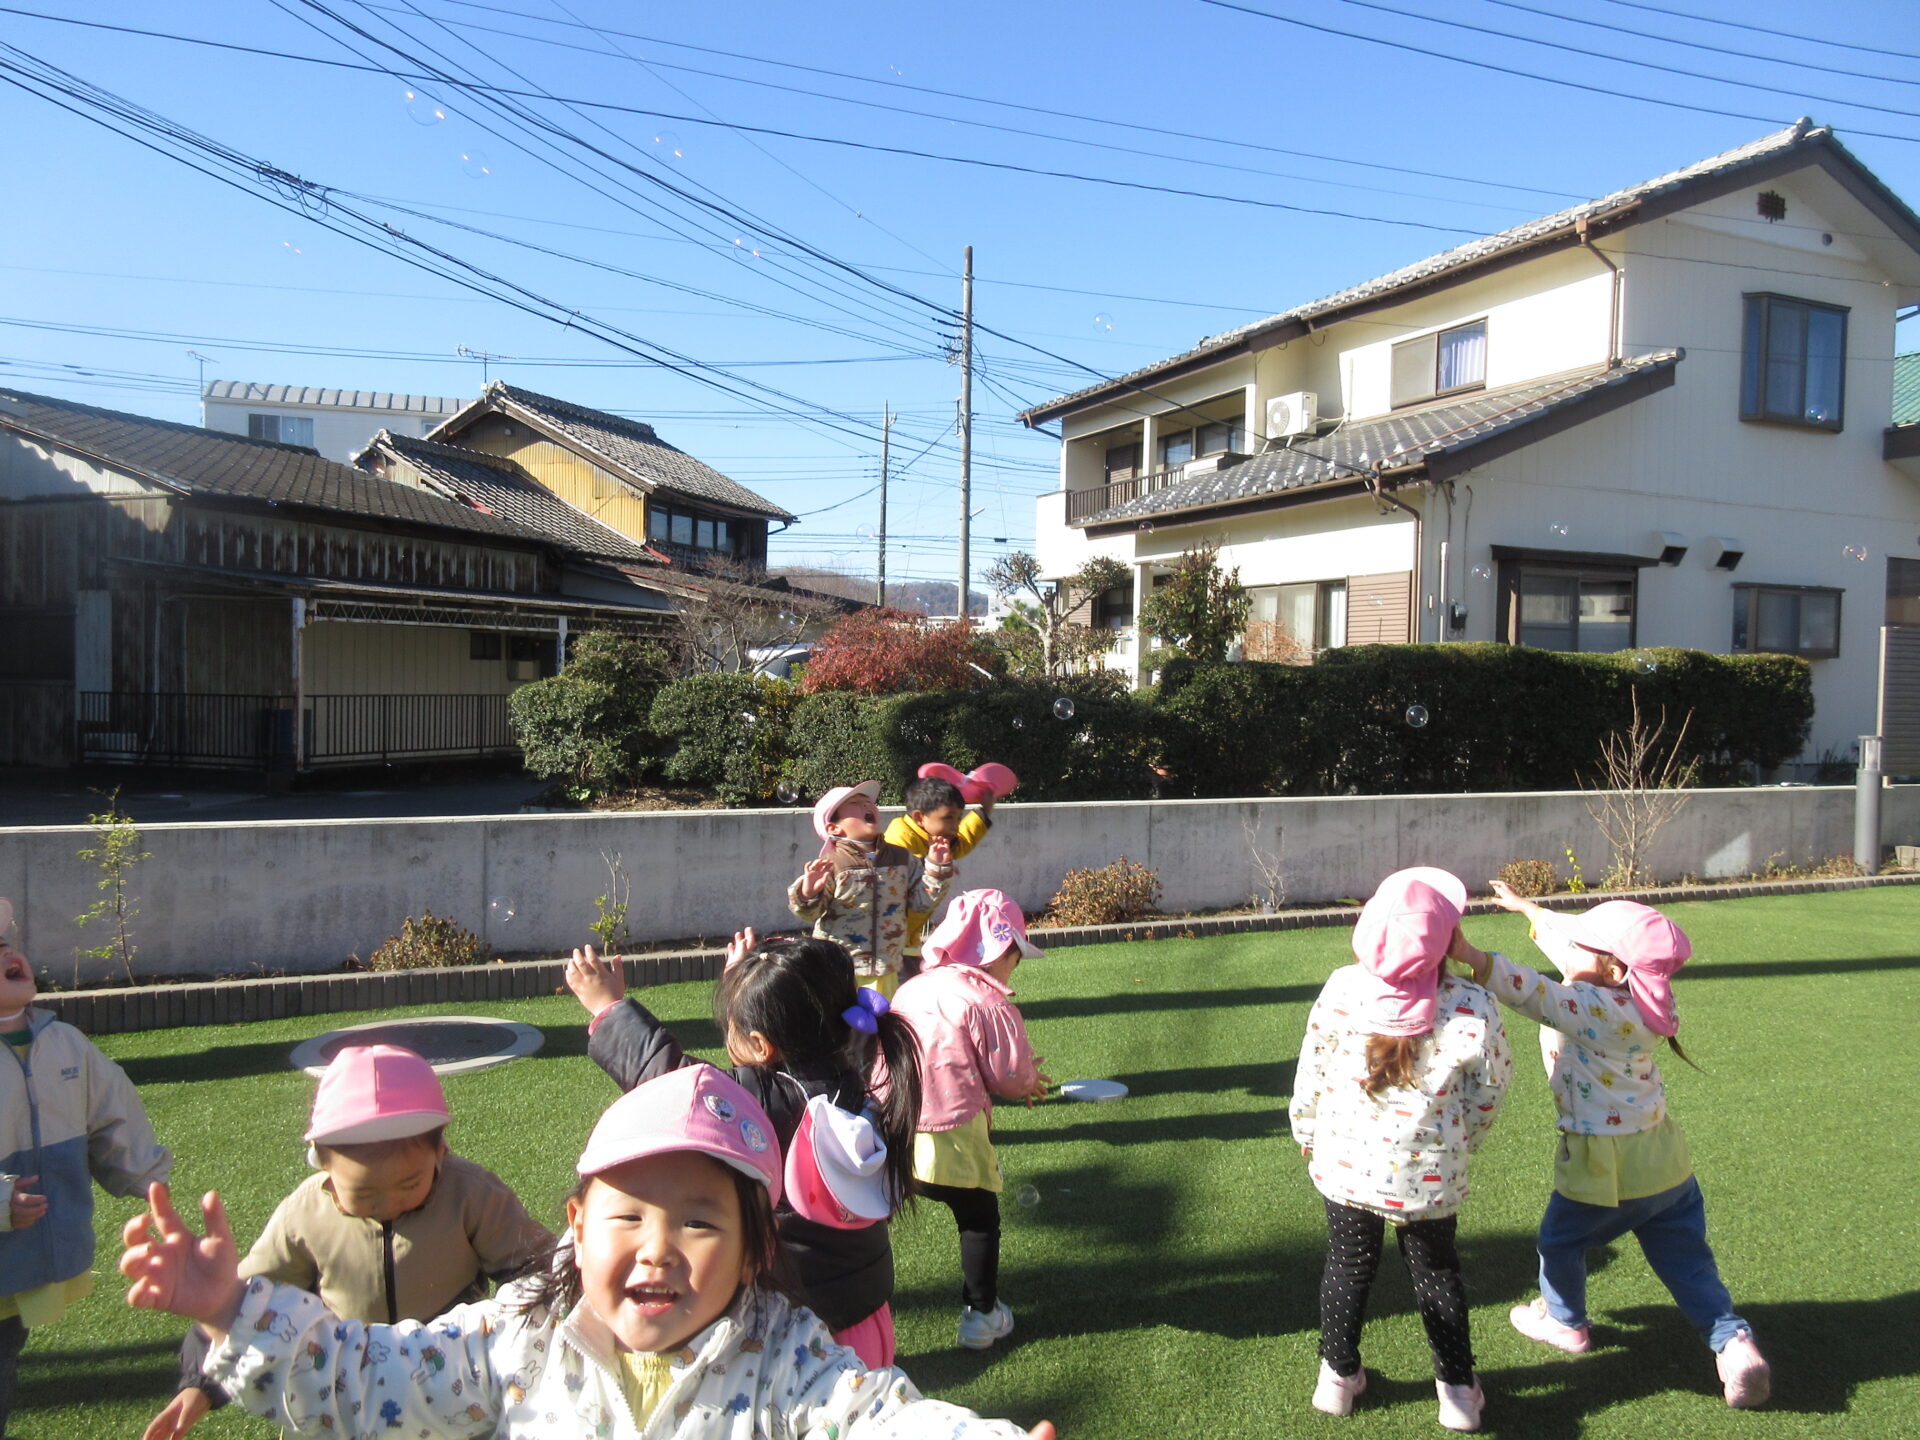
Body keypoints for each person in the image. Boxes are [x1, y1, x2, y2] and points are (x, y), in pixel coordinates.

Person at [120, 1064, 1057, 1440]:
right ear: (575, 1223)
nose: (659, 1249)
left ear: (752, 1249)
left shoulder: (785, 1356)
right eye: (627, 1216)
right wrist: (232, 1311)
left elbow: (877, 1419)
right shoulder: (513, 1338)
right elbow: (370, 1377)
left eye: (700, 1223)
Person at [1453, 884, 1770, 1409]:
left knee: (1559, 1242)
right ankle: (1733, 1344)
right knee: (1688, 1262)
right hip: (1664, 1162)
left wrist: (1471, 955)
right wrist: (1530, 911)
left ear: (1614, 968)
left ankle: (1564, 1322)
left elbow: (1532, 991)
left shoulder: (1587, 1006)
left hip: (1605, 1166)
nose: (1568, 948)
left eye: (1581, 943)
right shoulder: (1644, 999)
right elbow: (1573, 954)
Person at [148, 1044, 550, 1440]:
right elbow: (243, 1303)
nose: (388, 1204)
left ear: (440, 1150)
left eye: (410, 1184)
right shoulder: (304, 1214)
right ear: (321, 1163)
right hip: (340, 1389)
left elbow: (536, 1268)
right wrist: (199, 1385)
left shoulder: (471, 1194)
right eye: (364, 1193)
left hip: (451, 1382)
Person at [567, 930, 919, 1367]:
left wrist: (608, 1008)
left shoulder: (762, 1100)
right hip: (864, 1313)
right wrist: (750, 983)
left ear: (760, 1046)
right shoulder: (858, 1063)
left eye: (732, 1024)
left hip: (792, 1325)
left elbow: (676, 1084)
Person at [1289, 868, 1510, 1433]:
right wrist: (1463, 1141)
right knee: (1437, 1271)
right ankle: (1457, 1392)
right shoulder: (1475, 1004)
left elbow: (1312, 1069)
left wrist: (1306, 1131)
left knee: (1347, 1263)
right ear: (1449, 940)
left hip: (1346, 1167)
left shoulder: (1343, 987)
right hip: (1431, 1173)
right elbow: (1490, 1091)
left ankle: (1337, 1378)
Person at [0, 896, 172, 1440]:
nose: (5, 953)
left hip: (22, 1268)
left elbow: (113, 1114)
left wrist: (147, 1180)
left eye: (4, 943)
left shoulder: (63, 1044)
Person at [889, 889, 1050, 1351]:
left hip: (898, 1124)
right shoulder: (986, 1002)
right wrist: (1029, 1080)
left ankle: (866, 1312)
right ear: (1001, 951)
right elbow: (1008, 1075)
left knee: (876, 1217)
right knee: (978, 1217)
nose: (1014, 968)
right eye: (1015, 957)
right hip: (953, 1130)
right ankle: (981, 1315)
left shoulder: (911, 988)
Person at [791, 782, 953, 997]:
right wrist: (808, 893)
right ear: (833, 828)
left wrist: (937, 868)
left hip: (887, 969)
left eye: (869, 802)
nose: (867, 806)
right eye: (856, 804)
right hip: (840, 970)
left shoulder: (902, 857)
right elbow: (809, 914)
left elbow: (922, 902)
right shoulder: (832, 864)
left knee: (884, 1017)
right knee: (843, 1018)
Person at [883, 773, 998, 982]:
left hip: (906, 939)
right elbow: (905, 876)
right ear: (919, 817)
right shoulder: (899, 837)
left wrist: (983, 811)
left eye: (959, 818)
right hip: (889, 941)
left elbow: (961, 843)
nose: (955, 826)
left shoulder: (932, 837)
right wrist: (933, 866)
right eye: (948, 818)